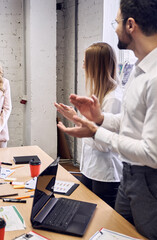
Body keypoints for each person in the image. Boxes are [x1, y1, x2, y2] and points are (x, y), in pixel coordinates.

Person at [57, 0, 157, 239]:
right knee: (117, 234)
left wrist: (96, 131)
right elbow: (129, 122)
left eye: (116, 22)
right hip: (131, 174)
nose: (115, 28)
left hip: (154, 182)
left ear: (131, 25)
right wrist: (100, 118)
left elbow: (153, 155)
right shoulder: (141, 69)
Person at [55, 42, 122, 208]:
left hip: (105, 174)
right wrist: (75, 117)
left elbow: (105, 145)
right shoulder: (98, 93)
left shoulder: (113, 98)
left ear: (96, 65)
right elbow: (94, 129)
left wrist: (80, 130)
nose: (83, 65)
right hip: (90, 169)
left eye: (86, 61)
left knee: (104, 221)